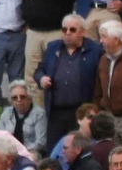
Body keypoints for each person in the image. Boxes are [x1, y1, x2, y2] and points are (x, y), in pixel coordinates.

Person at [34, 13, 100, 142]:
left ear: (82, 32)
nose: (67, 33)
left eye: (72, 30)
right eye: (64, 29)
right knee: (54, 151)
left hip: (81, 112)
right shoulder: (53, 47)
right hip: (56, 112)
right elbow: (39, 70)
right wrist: (41, 79)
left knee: (80, 148)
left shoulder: (95, 50)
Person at [3, 83, 48, 154]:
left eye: (22, 97)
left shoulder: (39, 114)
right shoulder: (6, 113)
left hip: (31, 153)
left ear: (29, 98)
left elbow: (41, 143)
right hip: (8, 152)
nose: (19, 100)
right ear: (11, 100)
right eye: (15, 98)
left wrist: (21, 151)